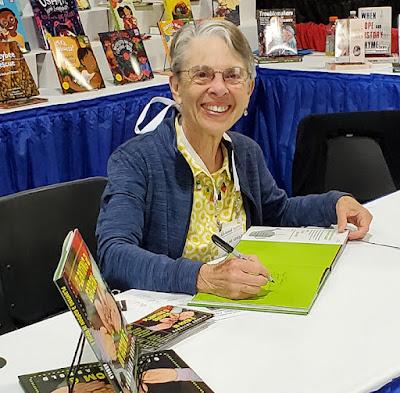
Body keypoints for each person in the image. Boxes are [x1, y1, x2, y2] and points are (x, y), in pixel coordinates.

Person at [96, 20, 372, 301]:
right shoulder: (136, 160)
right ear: (176, 87)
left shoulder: (245, 152)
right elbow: (114, 255)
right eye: (202, 75)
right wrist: (203, 277)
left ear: (249, 89)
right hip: (178, 312)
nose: (219, 88)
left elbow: (278, 213)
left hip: (243, 311)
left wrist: (334, 203)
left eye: (232, 76)